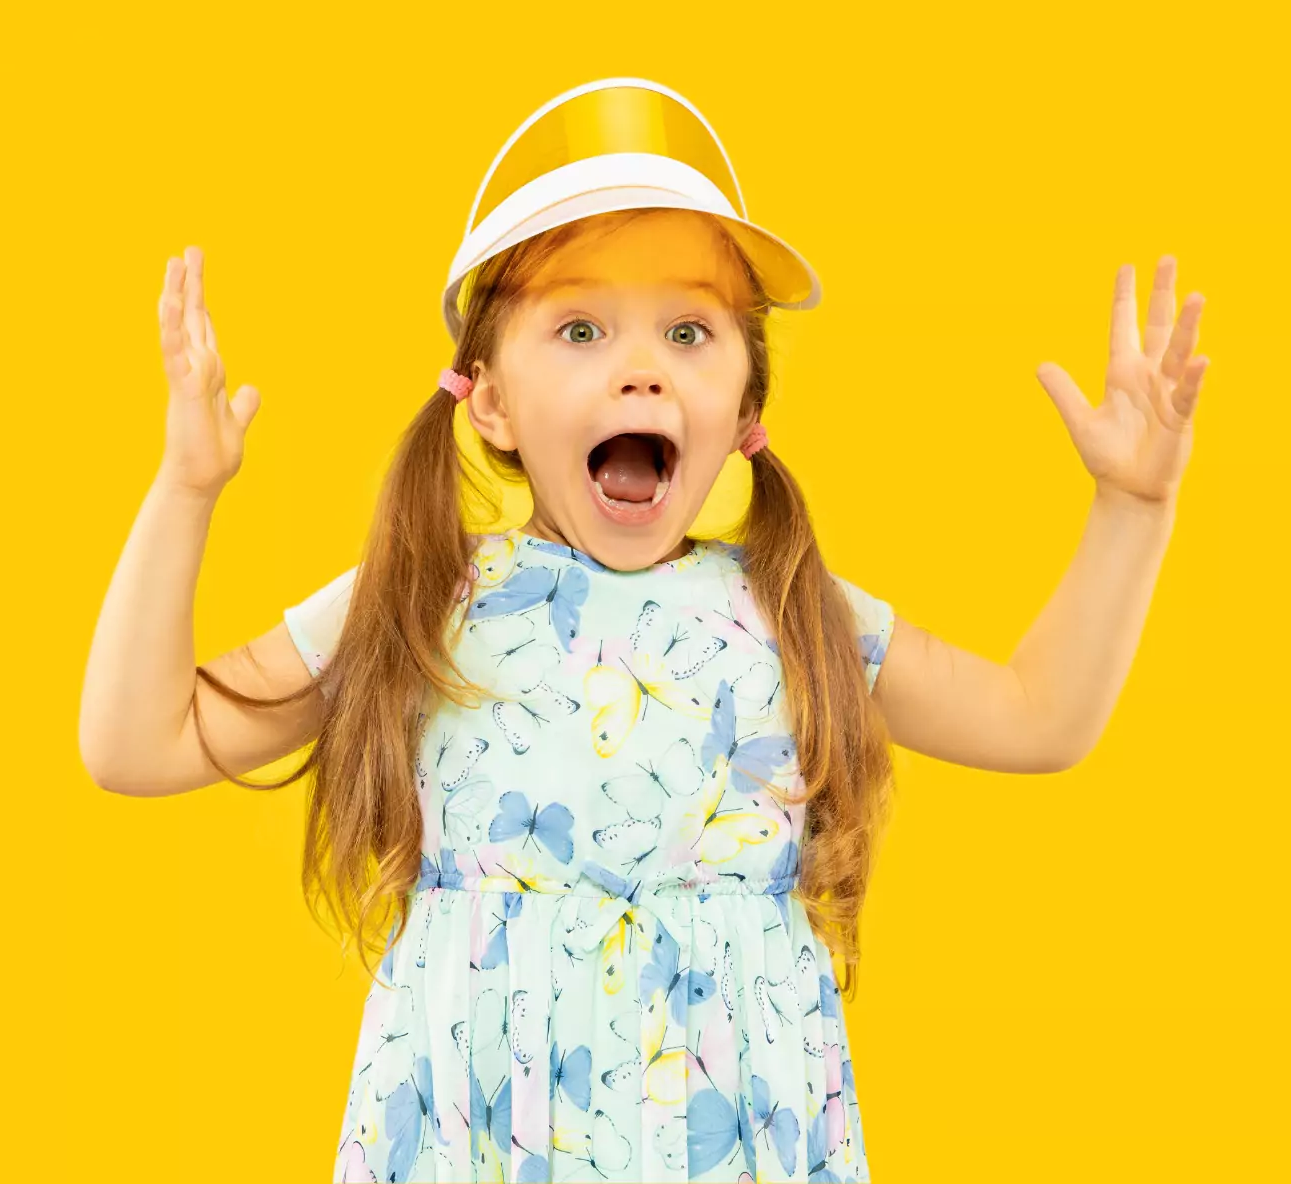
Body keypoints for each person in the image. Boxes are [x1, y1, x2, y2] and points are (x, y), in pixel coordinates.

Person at [78, 78, 1210, 1184]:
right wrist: (185, 487)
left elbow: (1040, 715)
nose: (640, 367)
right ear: (491, 400)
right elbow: (136, 743)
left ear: (746, 409)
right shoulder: (420, 598)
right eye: (579, 327)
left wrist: (1135, 506)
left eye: (687, 331)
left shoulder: (795, 610)